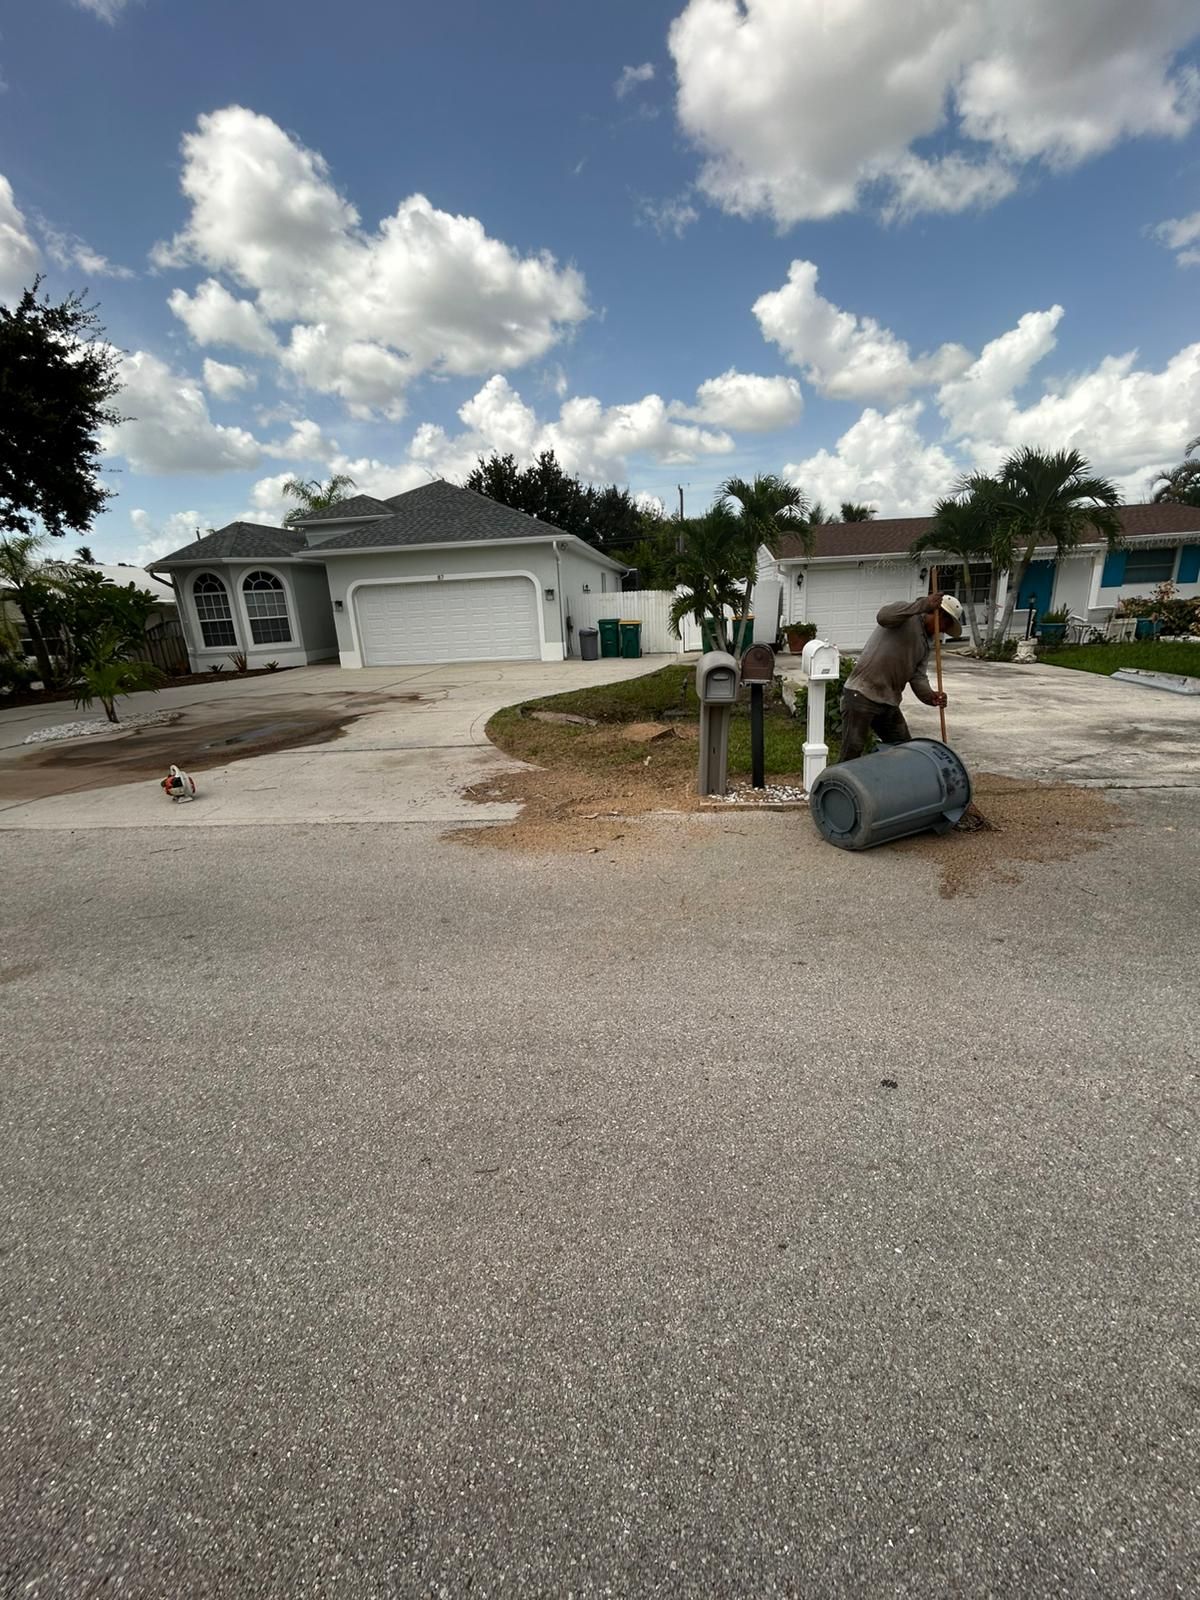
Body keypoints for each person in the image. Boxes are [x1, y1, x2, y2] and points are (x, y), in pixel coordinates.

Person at [838, 592, 965, 763]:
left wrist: (931, 696)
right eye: (945, 624)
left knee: (904, 750)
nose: (943, 631)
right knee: (851, 753)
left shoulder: (926, 644)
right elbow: (883, 616)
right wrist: (923, 605)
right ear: (938, 613)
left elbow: (918, 677)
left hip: (888, 701)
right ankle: (833, 788)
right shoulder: (907, 617)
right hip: (862, 694)